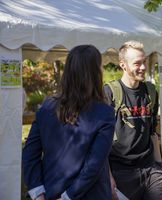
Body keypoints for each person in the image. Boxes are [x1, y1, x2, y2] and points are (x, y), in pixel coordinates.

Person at [22, 45, 115, 200]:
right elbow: (93, 166)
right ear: (96, 73)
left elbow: (30, 154)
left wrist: (38, 192)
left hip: (52, 192)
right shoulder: (104, 113)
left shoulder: (47, 106)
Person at [104, 40, 162, 200]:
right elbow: (101, 140)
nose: (143, 67)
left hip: (151, 170)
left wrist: (160, 166)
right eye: (137, 63)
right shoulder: (109, 92)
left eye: (144, 61)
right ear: (123, 65)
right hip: (121, 172)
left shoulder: (150, 91)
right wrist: (108, 176)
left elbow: (153, 132)